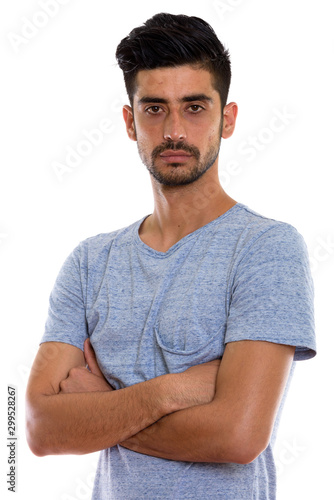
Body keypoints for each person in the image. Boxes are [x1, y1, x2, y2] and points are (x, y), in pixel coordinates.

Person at [25, 12, 316, 499]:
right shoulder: (89, 262)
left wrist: (104, 410)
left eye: (195, 107)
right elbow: (37, 429)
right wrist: (174, 390)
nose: (174, 130)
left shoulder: (267, 248)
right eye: (155, 108)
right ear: (129, 121)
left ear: (228, 119)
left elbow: (238, 435)